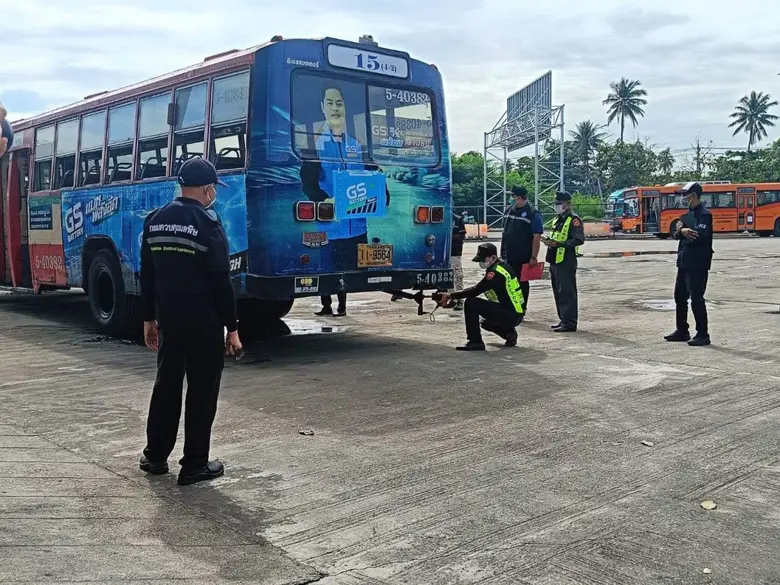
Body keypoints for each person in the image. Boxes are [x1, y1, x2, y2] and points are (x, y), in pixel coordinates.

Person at [139, 157, 243, 486]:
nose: (214, 194)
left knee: (166, 386)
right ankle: (194, 464)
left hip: (169, 319)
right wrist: (233, 328)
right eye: (213, 189)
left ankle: (155, 456)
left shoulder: (154, 221)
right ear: (207, 189)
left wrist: (148, 319)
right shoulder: (208, 224)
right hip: (203, 324)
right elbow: (220, 281)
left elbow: (148, 276)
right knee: (201, 390)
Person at [439, 243, 524, 351]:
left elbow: (475, 290)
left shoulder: (495, 273)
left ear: (493, 257)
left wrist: (451, 295)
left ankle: (475, 341)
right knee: (485, 322)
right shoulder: (502, 266)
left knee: (471, 303)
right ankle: (509, 334)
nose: (481, 263)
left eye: (483, 260)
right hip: (515, 313)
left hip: (511, 314)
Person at [665, 182, 713, 346]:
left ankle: (702, 333)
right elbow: (676, 234)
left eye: (685, 195)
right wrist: (681, 231)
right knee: (679, 296)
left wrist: (684, 231)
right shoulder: (686, 216)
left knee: (697, 299)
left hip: (697, 264)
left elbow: (699, 235)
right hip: (684, 263)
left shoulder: (704, 215)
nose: (683, 198)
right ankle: (682, 330)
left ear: (693, 195)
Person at [543, 191, 584, 333]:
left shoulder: (574, 219)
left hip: (566, 260)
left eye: (559, 203)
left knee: (567, 292)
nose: (557, 206)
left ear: (567, 204)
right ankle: (563, 319)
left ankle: (570, 322)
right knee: (558, 292)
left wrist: (559, 244)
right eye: (555, 203)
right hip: (554, 259)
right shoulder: (558, 219)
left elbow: (579, 239)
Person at [500, 185, 543, 314]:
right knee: (508, 282)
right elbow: (505, 232)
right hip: (507, 254)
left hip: (522, 255)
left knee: (521, 283)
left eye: (512, 196)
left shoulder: (532, 213)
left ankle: (521, 308)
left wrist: (533, 256)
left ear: (518, 197)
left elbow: (536, 237)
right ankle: (510, 307)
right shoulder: (508, 210)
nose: (510, 199)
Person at [449, 211, 468, 310]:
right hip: (442, 253)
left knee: (457, 276)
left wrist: (448, 237)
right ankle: (451, 297)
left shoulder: (457, 219)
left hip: (455, 252)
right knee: (448, 277)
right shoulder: (439, 218)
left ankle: (460, 299)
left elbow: (462, 236)